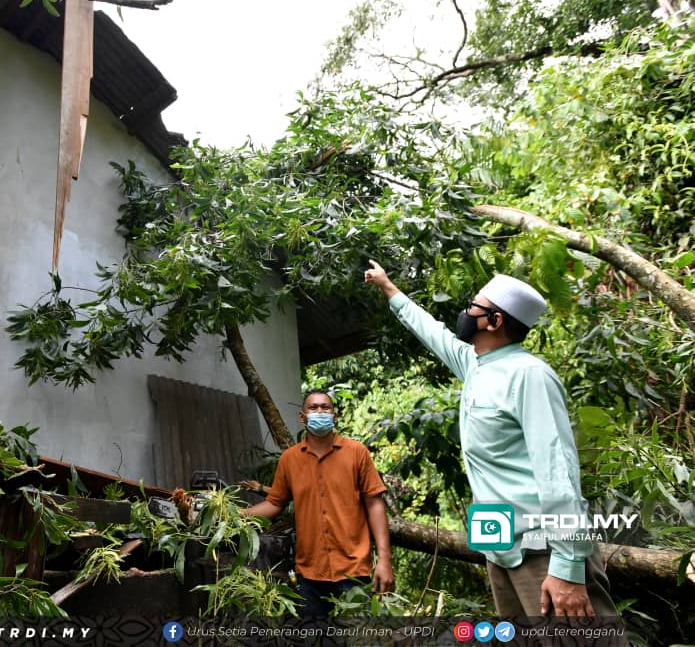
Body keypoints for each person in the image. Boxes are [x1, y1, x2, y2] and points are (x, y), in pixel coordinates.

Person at [364, 261, 617, 618]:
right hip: (500, 549)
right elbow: (433, 333)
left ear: (495, 321)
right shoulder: (477, 364)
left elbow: (558, 473)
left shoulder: (529, 376)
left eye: (474, 307)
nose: (465, 312)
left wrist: (568, 567)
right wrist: (389, 288)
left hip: (543, 552)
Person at [243, 390, 395, 616]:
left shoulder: (357, 453)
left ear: (335, 417)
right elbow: (274, 503)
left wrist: (384, 559)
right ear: (302, 417)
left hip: (353, 572)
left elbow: (374, 504)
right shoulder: (290, 459)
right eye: (313, 408)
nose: (320, 412)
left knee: (355, 638)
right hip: (309, 574)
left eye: (325, 407)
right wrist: (236, 516)